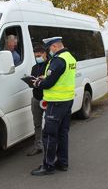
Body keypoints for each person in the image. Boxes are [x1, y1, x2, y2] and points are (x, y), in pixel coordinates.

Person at [30, 36, 76, 176]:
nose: (49, 52)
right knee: (62, 133)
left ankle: (48, 166)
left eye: (49, 49)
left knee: (49, 135)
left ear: (54, 47)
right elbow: (59, 77)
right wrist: (47, 78)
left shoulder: (58, 60)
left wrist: (38, 82)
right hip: (67, 100)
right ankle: (62, 163)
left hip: (56, 103)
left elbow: (49, 83)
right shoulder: (70, 58)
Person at [26, 45, 48, 156]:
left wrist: (43, 79)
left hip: (47, 99)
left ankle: (50, 145)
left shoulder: (50, 66)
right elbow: (33, 83)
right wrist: (30, 81)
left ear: (45, 54)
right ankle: (38, 146)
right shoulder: (35, 67)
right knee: (37, 124)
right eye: (36, 56)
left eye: (39, 56)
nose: (37, 58)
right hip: (36, 98)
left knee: (49, 123)